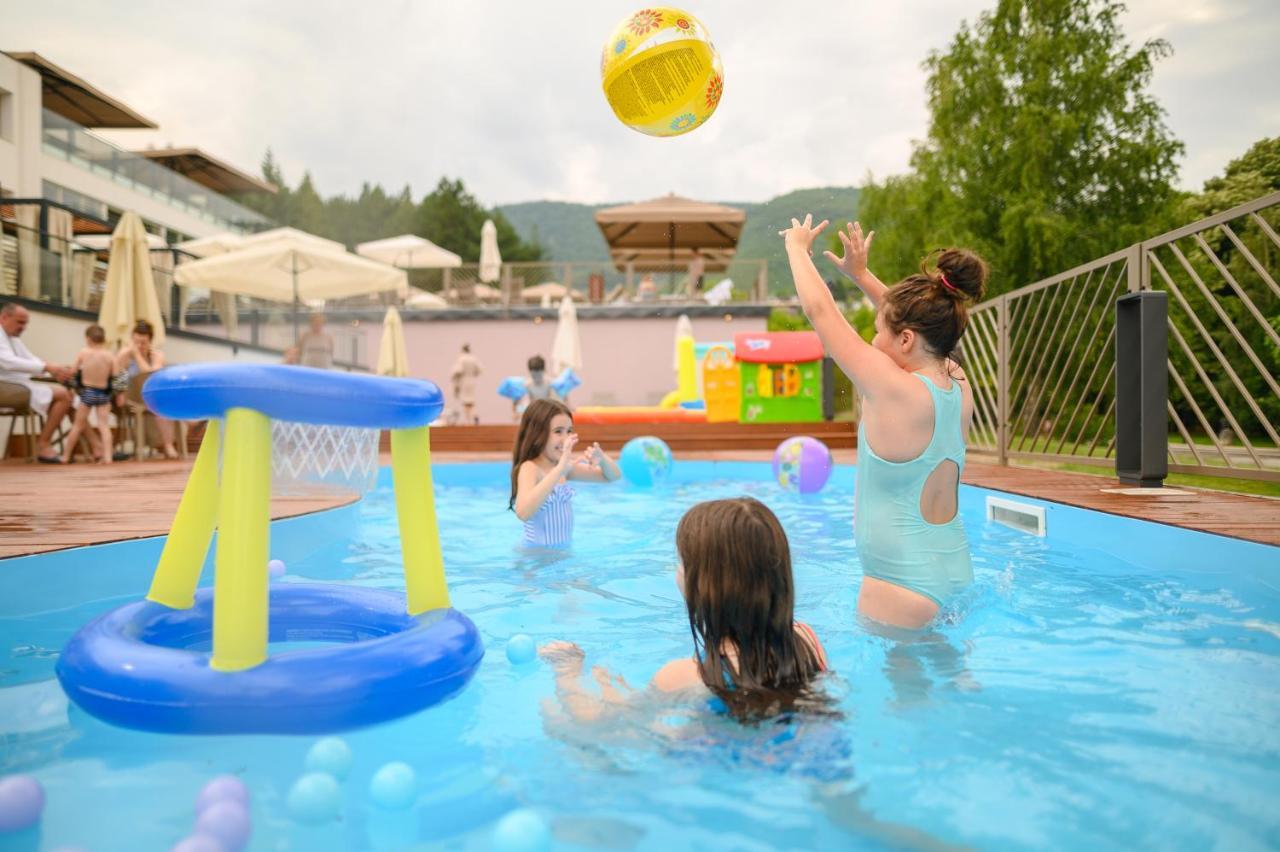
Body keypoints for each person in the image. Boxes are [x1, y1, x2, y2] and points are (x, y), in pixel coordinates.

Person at [780, 216, 987, 629]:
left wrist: (797, 249)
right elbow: (925, 322)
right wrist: (860, 275)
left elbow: (819, 311)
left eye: (877, 332)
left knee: (897, 696)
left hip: (902, 585)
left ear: (905, 340)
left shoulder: (893, 389)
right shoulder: (959, 385)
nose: (873, 342)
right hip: (956, 572)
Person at [540, 497, 828, 721]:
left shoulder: (684, 676)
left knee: (563, 722)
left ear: (706, 585)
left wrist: (567, 671)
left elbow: (596, 724)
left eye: (680, 562)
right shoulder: (807, 641)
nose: (675, 570)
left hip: (709, 762)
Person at [509, 399, 620, 547]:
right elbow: (522, 512)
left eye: (569, 431)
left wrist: (602, 459)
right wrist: (560, 469)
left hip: (561, 555)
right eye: (558, 431)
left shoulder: (564, 468)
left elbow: (611, 477)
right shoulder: (531, 468)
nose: (566, 438)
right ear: (536, 435)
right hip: (535, 560)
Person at [0, 302, 75, 463]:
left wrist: (57, 369)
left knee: (69, 396)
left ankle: (96, 447)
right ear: (4, 317)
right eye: (20, 322)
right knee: (63, 395)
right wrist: (48, 367)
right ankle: (43, 444)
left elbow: (32, 360)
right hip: (4, 387)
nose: (24, 327)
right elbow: (8, 362)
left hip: (16, 384)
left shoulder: (12, 338)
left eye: (25, 323)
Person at [114, 319, 179, 459]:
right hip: (133, 396)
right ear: (131, 339)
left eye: (143, 342)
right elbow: (119, 375)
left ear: (150, 341)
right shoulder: (124, 354)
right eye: (136, 341)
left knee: (163, 406)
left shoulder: (156, 355)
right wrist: (120, 393)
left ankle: (168, 445)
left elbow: (150, 375)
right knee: (160, 404)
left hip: (152, 395)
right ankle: (164, 443)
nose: (139, 345)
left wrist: (137, 355)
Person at [60, 325, 116, 464]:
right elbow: (117, 376)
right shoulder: (110, 355)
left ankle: (65, 456)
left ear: (88, 339)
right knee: (104, 425)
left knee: (78, 426)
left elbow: (73, 372)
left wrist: (70, 388)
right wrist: (118, 394)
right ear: (104, 339)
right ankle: (108, 457)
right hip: (103, 393)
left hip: (88, 392)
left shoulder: (83, 353)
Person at [449, 343, 483, 425]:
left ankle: (469, 419)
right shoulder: (474, 359)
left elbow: (458, 371)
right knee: (471, 400)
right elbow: (480, 370)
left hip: (464, 381)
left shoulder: (462, 359)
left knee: (465, 401)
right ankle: (473, 415)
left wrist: (453, 377)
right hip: (472, 380)